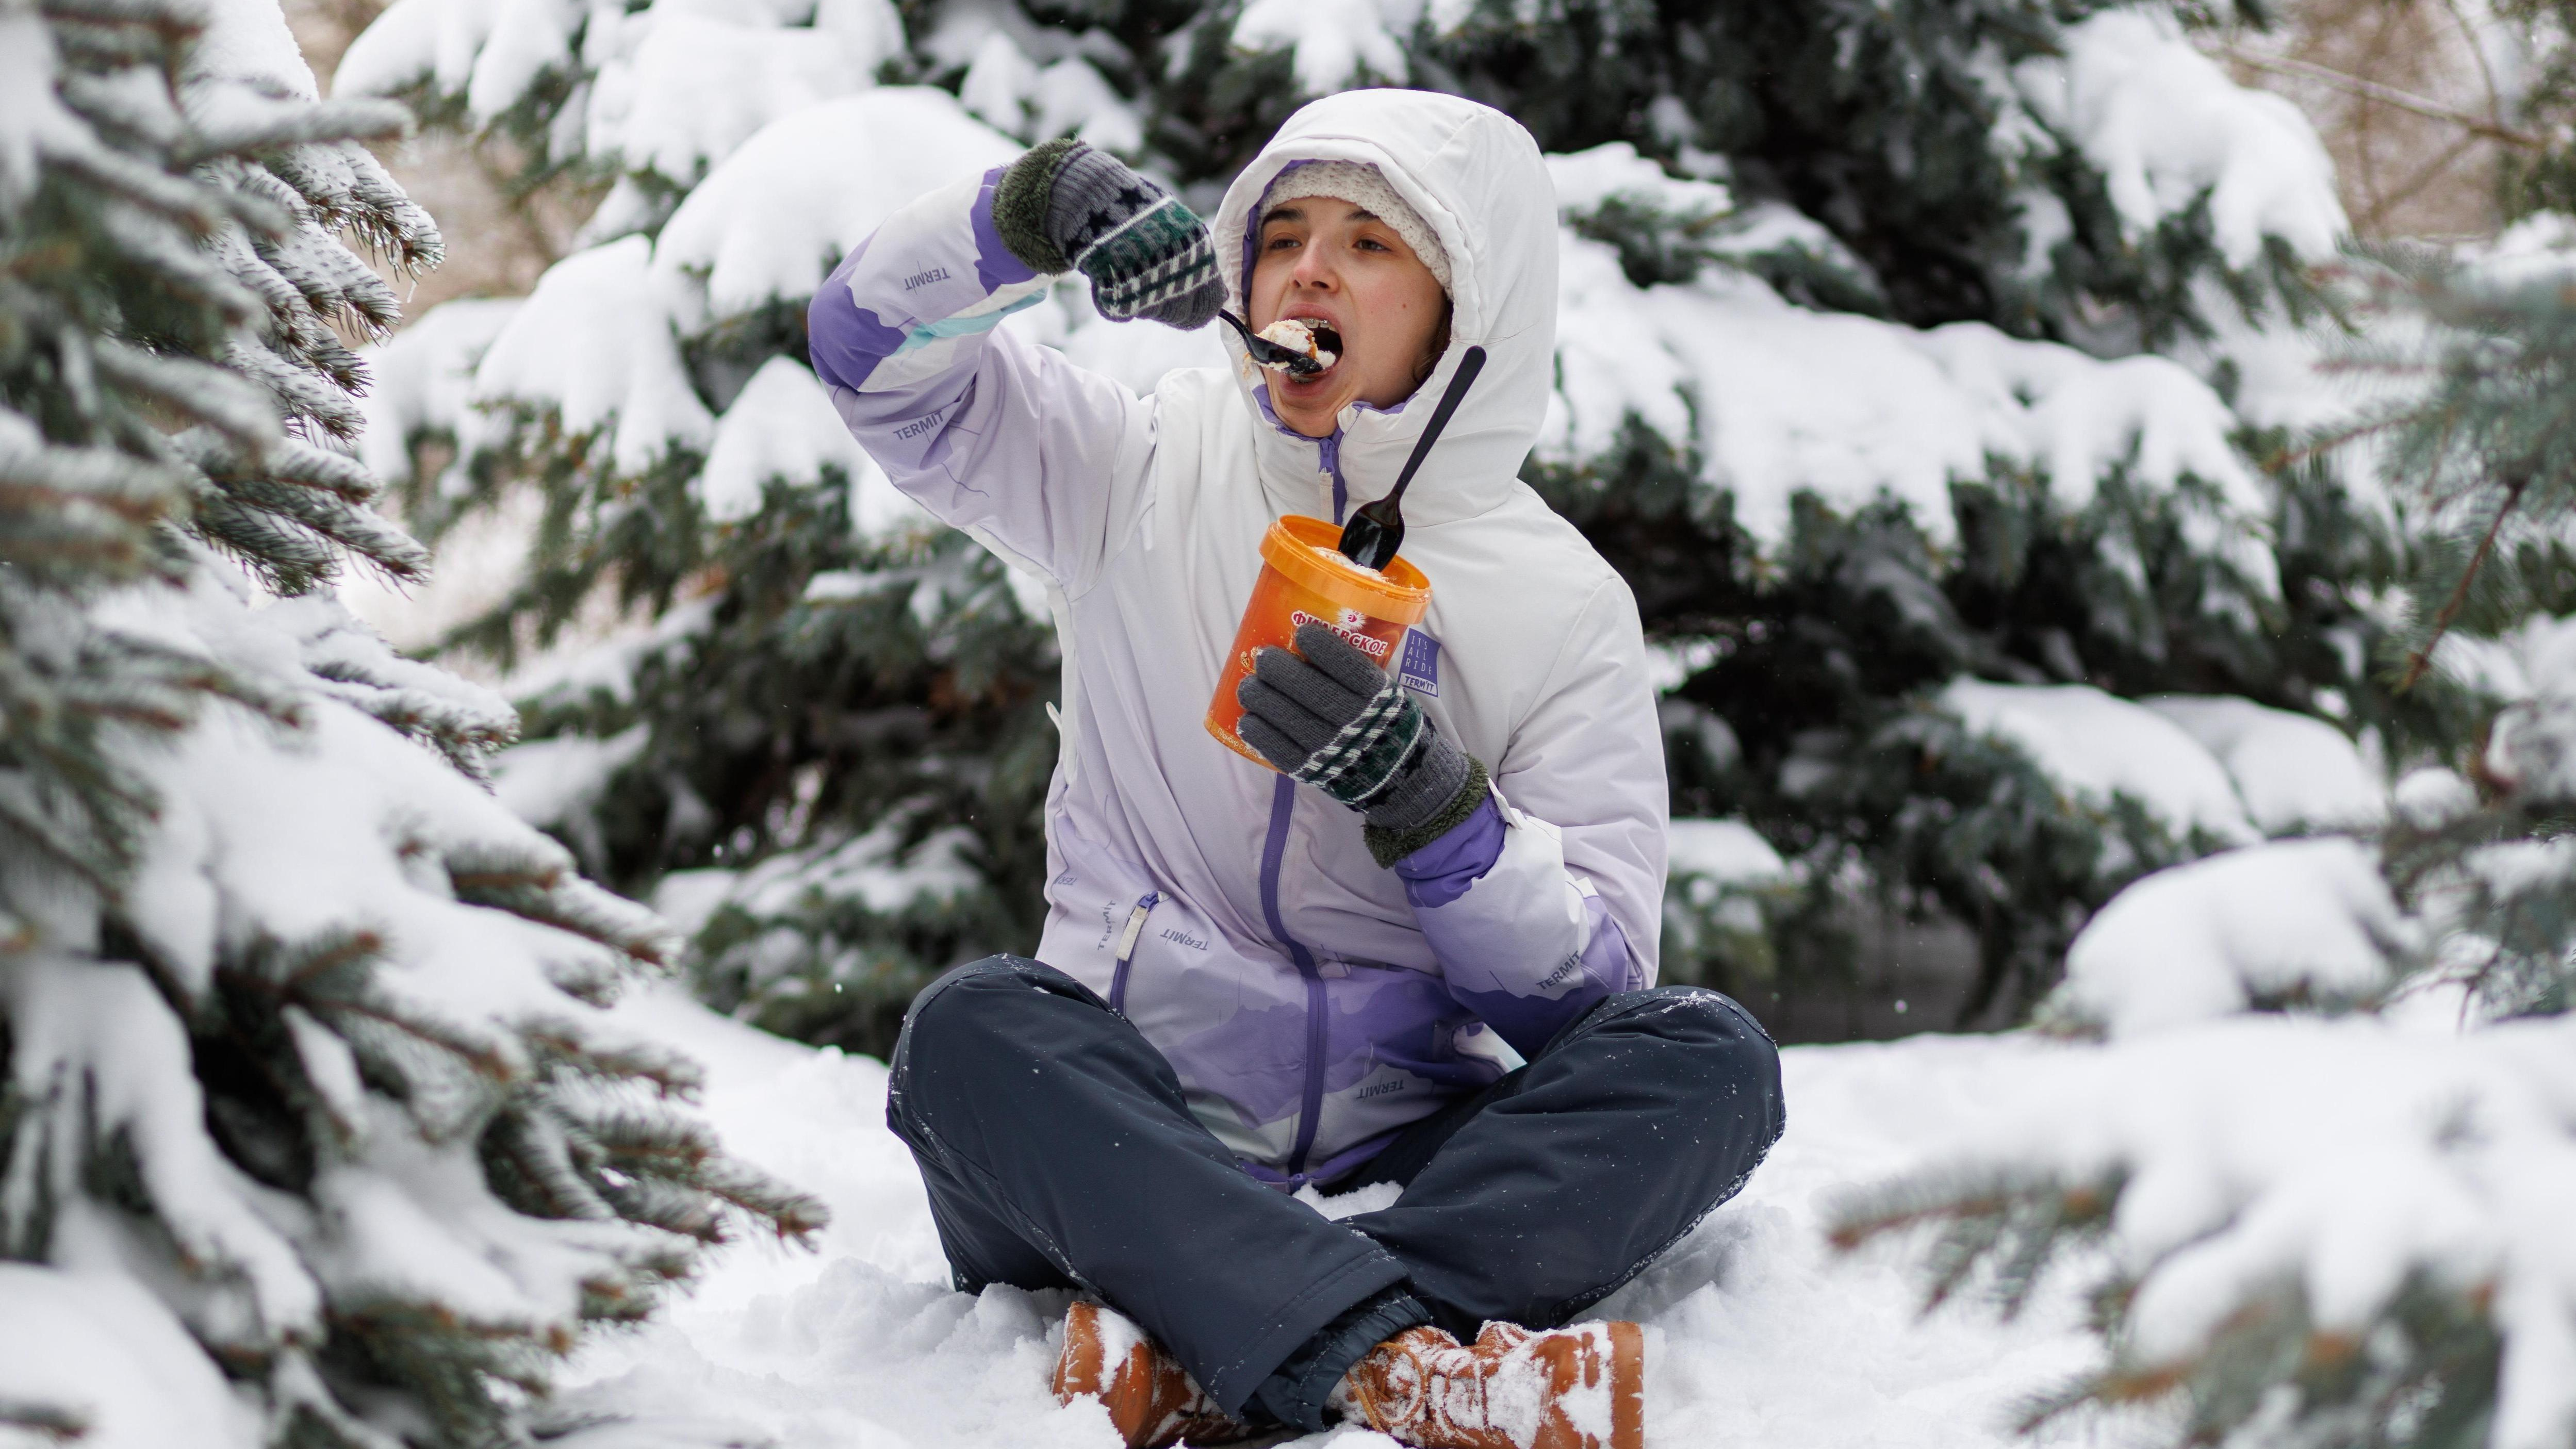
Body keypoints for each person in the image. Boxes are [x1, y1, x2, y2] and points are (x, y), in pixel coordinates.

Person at [808, 88, 1785, 1449]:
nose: (1309, 269)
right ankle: (1404, 1357)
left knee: (1709, 1062)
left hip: (1406, 1161)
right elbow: (866, 357)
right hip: (1127, 1146)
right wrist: (1023, 217)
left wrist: (1435, 813)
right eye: (1283, 237)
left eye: (1371, 243)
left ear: (1466, 311)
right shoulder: (1132, 466)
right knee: (972, 1035)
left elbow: (1595, 996)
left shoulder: (1558, 600)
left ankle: (1233, 1350)